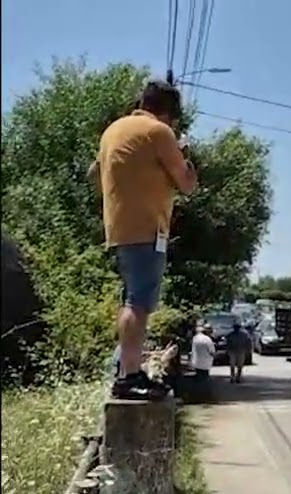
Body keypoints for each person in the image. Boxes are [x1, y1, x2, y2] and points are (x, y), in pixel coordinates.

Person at [91, 79, 198, 400]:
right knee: (139, 303)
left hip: (119, 228)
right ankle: (130, 376)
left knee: (131, 299)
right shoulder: (158, 132)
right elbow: (187, 183)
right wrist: (185, 158)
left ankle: (124, 369)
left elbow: (94, 176)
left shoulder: (113, 131)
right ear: (169, 113)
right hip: (148, 228)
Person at [190, 323, 216, 399]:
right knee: (204, 379)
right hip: (205, 363)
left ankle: (197, 395)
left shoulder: (195, 338)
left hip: (196, 362)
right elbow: (212, 352)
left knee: (198, 379)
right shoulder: (208, 340)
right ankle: (204, 395)